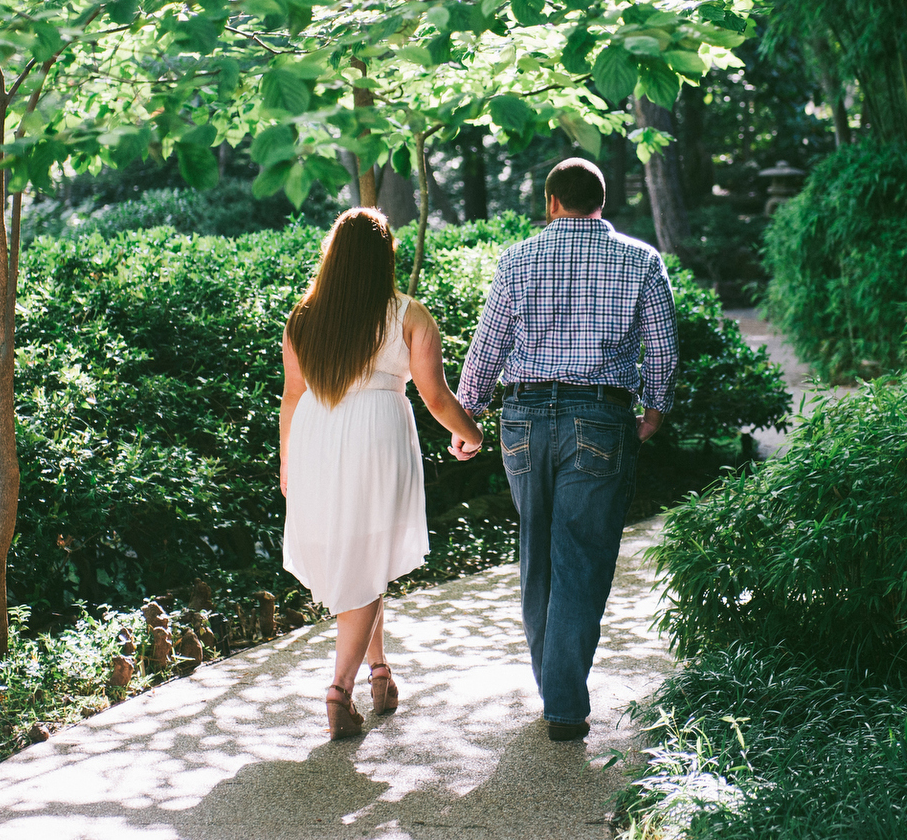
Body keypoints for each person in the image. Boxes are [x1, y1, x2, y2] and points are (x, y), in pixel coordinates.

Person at [454, 157, 677, 741]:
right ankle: (564, 703)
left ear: (551, 202)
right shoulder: (641, 260)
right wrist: (654, 408)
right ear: (601, 201)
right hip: (600, 419)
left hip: (524, 418)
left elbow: (487, 346)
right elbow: (663, 349)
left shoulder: (517, 260)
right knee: (582, 557)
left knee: (537, 556)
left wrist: (466, 413)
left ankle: (555, 691)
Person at [280, 207, 487, 739]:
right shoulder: (408, 315)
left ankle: (380, 673)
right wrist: (473, 432)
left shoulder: (304, 317)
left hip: (314, 438)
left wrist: (286, 462)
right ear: (385, 257)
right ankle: (339, 690)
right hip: (376, 436)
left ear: (333, 257)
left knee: (356, 556)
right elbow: (435, 395)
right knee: (366, 559)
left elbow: (293, 395)